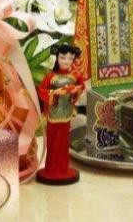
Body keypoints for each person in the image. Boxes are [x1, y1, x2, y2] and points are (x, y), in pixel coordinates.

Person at [36, 43, 85, 185]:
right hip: (54, 114)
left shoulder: (75, 75)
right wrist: (54, 92)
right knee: (53, 142)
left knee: (64, 143)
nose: (66, 61)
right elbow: (41, 90)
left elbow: (81, 86)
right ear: (57, 58)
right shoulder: (50, 76)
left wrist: (75, 90)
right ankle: (52, 169)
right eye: (63, 58)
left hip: (66, 113)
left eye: (70, 58)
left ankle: (63, 169)